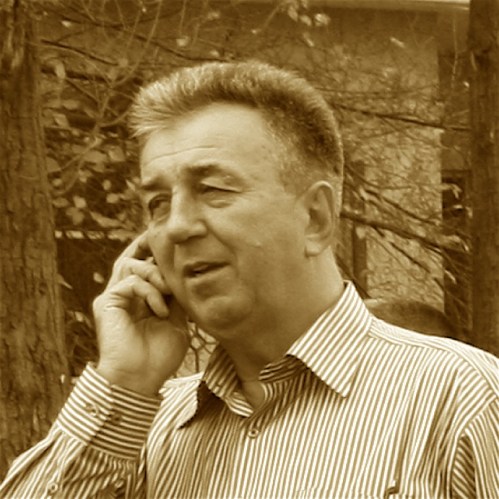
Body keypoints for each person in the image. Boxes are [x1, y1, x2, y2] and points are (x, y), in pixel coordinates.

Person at [1, 60, 497, 499]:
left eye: (213, 189)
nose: (176, 227)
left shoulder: (462, 400)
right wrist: (123, 382)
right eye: (157, 203)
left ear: (316, 218)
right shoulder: (142, 432)